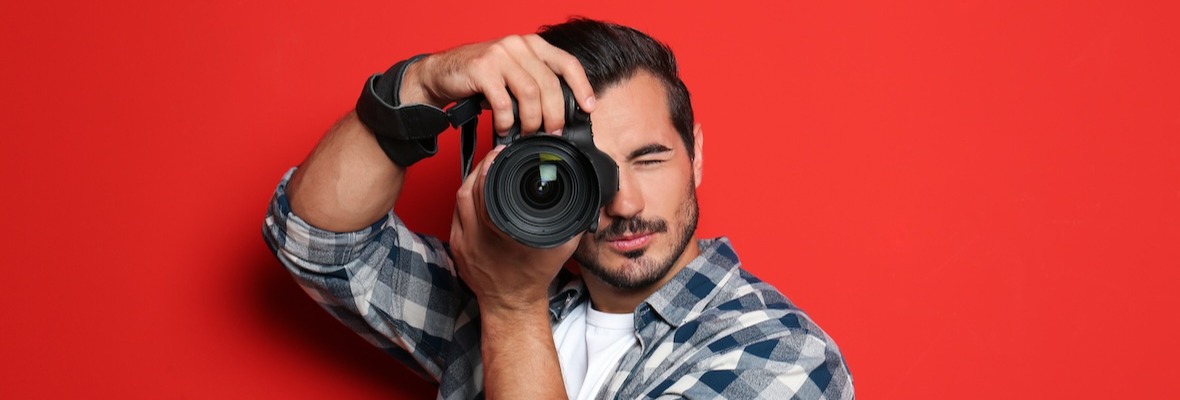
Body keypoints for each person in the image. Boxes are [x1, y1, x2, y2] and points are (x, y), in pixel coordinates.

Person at [263, 17, 854, 399]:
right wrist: (420, 85)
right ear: (527, 178)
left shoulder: (780, 355)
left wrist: (513, 309)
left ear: (695, 154)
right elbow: (318, 243)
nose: (624, 202)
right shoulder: (504, 288)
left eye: (649, 159)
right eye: (590, 172)